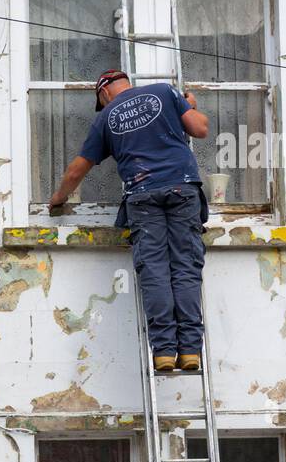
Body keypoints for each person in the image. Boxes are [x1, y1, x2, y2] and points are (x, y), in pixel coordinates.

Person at [49, 70, 212, 372]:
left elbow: (76, 171)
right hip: (182, 187)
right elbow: (200, 129)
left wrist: (58, 198)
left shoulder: (105, 118)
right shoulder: (165, 92)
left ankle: (163, 352)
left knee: (154, 270)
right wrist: (190, 105)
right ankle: (190, 350)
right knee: (185, 267)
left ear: (104, 92)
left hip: (142, 194)